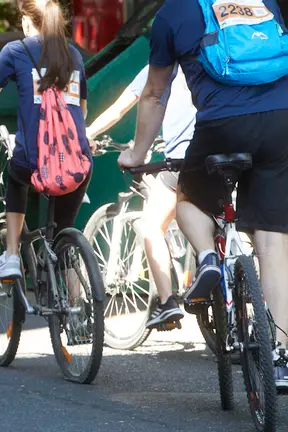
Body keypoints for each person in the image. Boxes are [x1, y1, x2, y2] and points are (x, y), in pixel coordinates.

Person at [117, 0, 288, 388]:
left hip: (222, 124)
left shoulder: (174, 14)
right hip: (282, 121)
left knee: (187, 197)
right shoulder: (264, 2)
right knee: (273, 239)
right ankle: (280, 358)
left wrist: (137, 153)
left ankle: (209, 258)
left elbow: (154, 94)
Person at [0, 0, 91, 279]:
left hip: (35, 159)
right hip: (77, 159)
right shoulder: (74, 55)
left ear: (26, 21)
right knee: (64, 239)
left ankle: (12, 255)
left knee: (17, 174)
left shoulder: (15, 51)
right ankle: (79, 313)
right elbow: (81, 110)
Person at [87, 64, 195, 328]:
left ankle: (167, 302)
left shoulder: (159, 67)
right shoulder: (209, 56)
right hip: (227, 149)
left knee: (152, 225)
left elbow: (119, 109)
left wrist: (86, 134)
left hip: (183, 159)